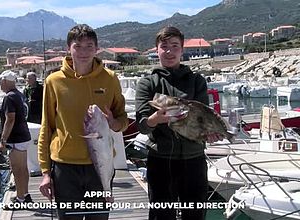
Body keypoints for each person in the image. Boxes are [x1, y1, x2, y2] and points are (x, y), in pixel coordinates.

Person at [37, 24, 128, 220]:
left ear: (97, 49)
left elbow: (123, 120)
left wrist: (113, 123)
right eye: (78, 46)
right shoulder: (53, 81)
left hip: (101, 167)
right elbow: (47, 127)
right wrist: (45, 172)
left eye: (89, 46)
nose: (83, 52)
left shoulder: (110, 79)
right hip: (65, 167)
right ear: (69, 48)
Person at [135, 26, 222, 220]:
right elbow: (141, 125)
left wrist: (212, 133)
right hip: (161, 161)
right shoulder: (147, 83)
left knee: (195, 214)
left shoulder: (197, 81)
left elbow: (204, 118)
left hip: (194, 161)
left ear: (182, 50)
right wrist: (156, 119)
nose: (169, 51)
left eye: (175, 46)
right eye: (164, 46)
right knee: (161, 215)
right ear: (156, 50)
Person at [0, 70, 32, 207]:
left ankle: (20, 199)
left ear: (5, 81)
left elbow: (10, 119)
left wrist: (3, 140)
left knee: (17, 170)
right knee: (23, 168)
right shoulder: (19, 95)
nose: (0, 84)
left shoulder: (9, 97)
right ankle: (26, 194)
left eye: (0, 81)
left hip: (16, 138)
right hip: (24, 135)